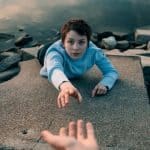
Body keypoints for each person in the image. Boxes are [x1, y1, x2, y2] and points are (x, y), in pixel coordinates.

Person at [39, 19, 119, 108]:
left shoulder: (94, 52)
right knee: (43, 52)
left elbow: (111, 71)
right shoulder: (54, 53)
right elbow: (54, 69)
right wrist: (65, 85)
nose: (76, 48)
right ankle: (44, 46)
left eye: (81, 42)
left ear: (88, 43)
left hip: (64, 46)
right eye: (71, 42)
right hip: (45, 54)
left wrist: (105, 84)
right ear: (63, 43)